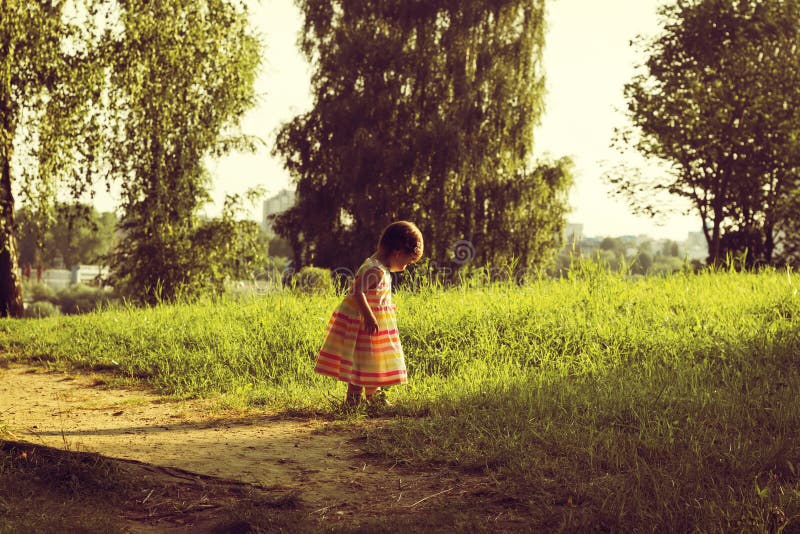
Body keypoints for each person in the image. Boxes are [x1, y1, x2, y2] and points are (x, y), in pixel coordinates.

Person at [314, 221, 424, 407]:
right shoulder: (376, 270)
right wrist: (369, 315)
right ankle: (353, 401)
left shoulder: (379, 266)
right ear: (397, 252)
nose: (406, 267)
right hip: (363, 326)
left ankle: (375, 399)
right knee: (360, 365)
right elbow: (358, 291)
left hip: (370, 325)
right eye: (407, 262)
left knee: (373, 363)